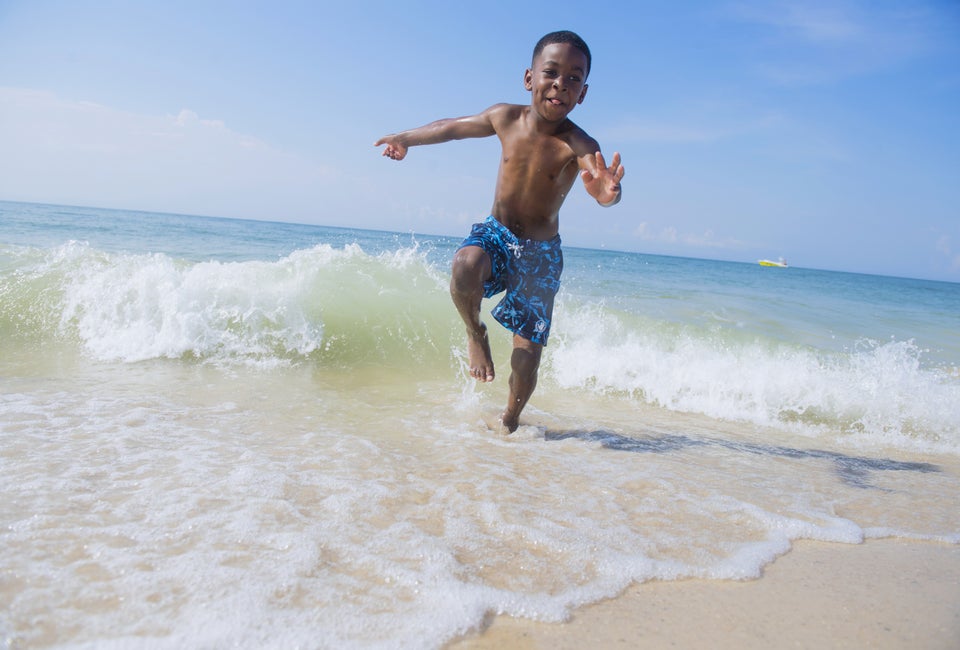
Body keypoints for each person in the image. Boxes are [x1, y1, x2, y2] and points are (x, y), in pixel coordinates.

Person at [374, 30, 624, 432]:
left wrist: (606, 193)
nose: (561, 84)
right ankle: (476, 333)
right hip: (497, 234)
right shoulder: (505, 118)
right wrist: (406, 139)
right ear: (529, 79)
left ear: (584, 93)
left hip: (540, 257)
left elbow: (604, 184)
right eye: (552, 72)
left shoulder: (579, 143)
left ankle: (509, 421)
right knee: (465, 264)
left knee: (526, 359)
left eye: (574, 78)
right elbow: (452, 127)